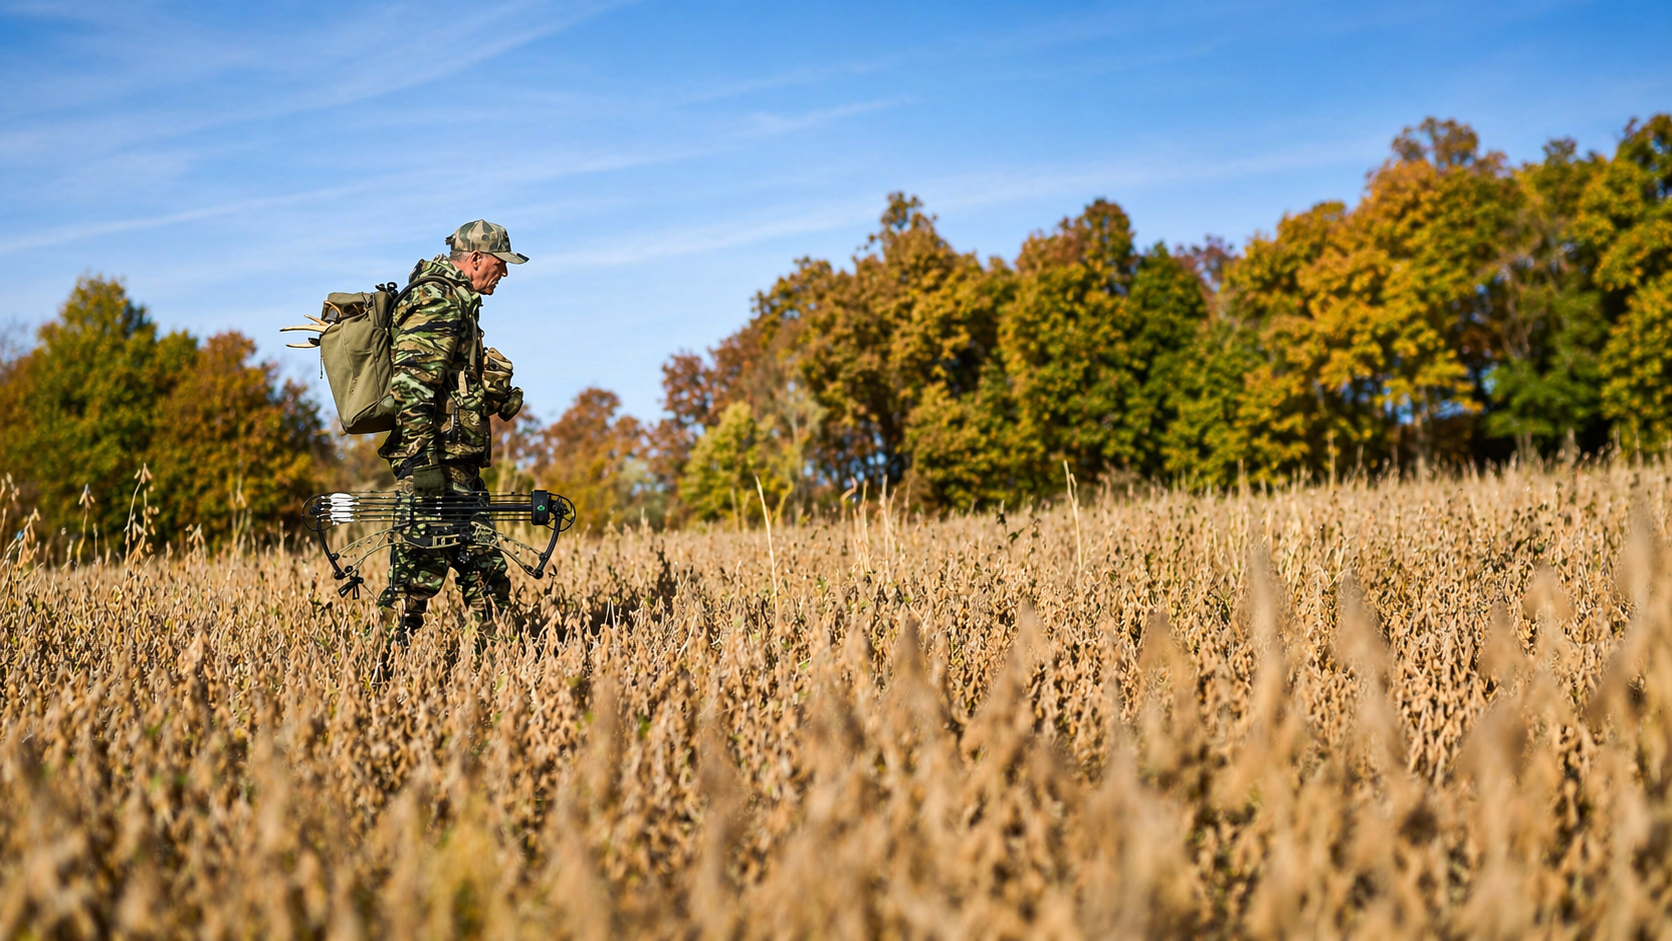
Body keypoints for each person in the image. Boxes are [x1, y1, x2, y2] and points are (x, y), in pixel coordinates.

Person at [376, 220, 527, 641]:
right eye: (500, 263)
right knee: (412, 587)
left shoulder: (456, 303)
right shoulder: (438, 301)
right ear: (475, 258)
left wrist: (490, 393)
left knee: (488, 580)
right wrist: (423, 461)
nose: (505, 272)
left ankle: (498, 684)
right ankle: (376, 677)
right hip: (434, 470)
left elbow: (447, 386)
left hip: (459, 472)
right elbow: (411, 385)